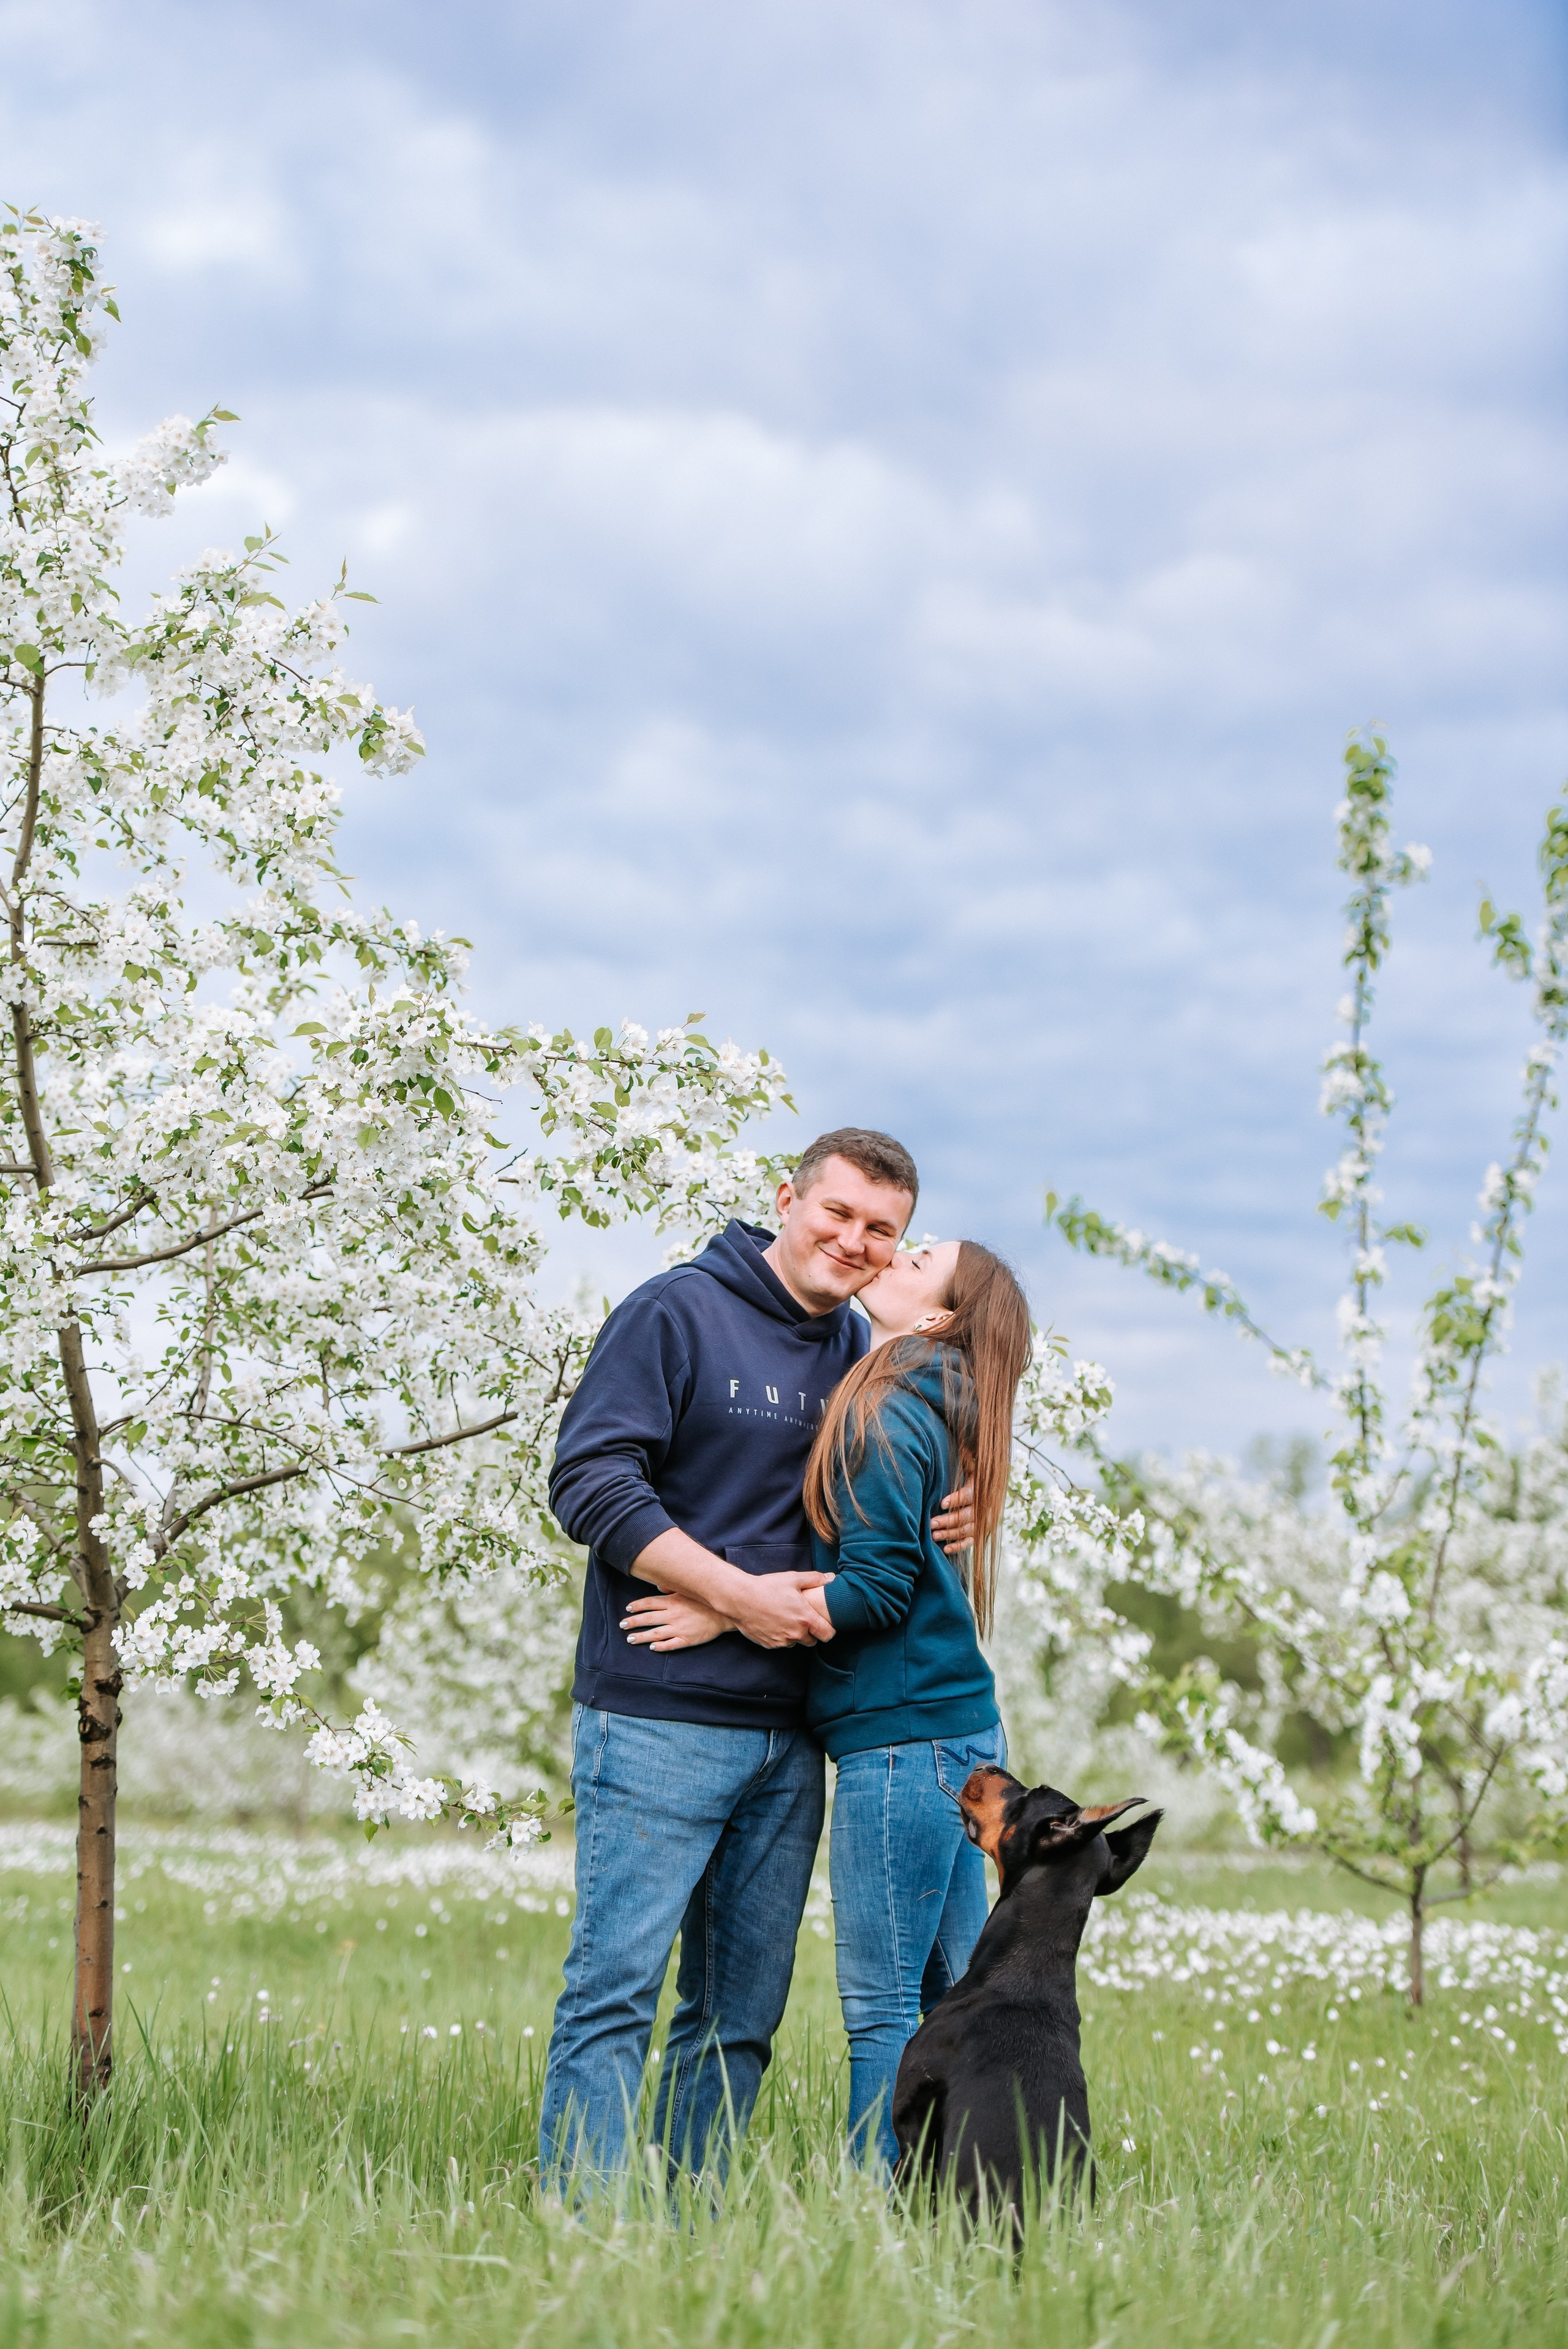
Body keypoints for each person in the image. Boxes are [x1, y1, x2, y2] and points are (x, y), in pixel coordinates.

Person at [540, 1128, 973, 2183]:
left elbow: (869, 1513)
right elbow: (589, 1484)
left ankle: (694, 2225)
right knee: (615, 1994)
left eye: (885, 1230)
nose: (857, 1242)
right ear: (787, 1198)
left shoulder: (866, 1354)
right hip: (658, 1714)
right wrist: (726, 1593)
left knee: (739, 2017)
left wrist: (959, 1509)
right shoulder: (674, 1312)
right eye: (838, 1213)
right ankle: (584, 2227)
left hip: (794, 1730)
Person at [625, 1236, 1030, 2172]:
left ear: (935, 1318)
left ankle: (871, 2224)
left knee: (884, 2007)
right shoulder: (939, 1398)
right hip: (954, 1729)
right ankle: (972, 2202)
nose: (896, 1253)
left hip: (906, 1739)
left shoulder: (889, 1410)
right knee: (960, 1998)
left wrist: (727, 1612)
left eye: (921, 1256)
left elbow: (878, 1589)